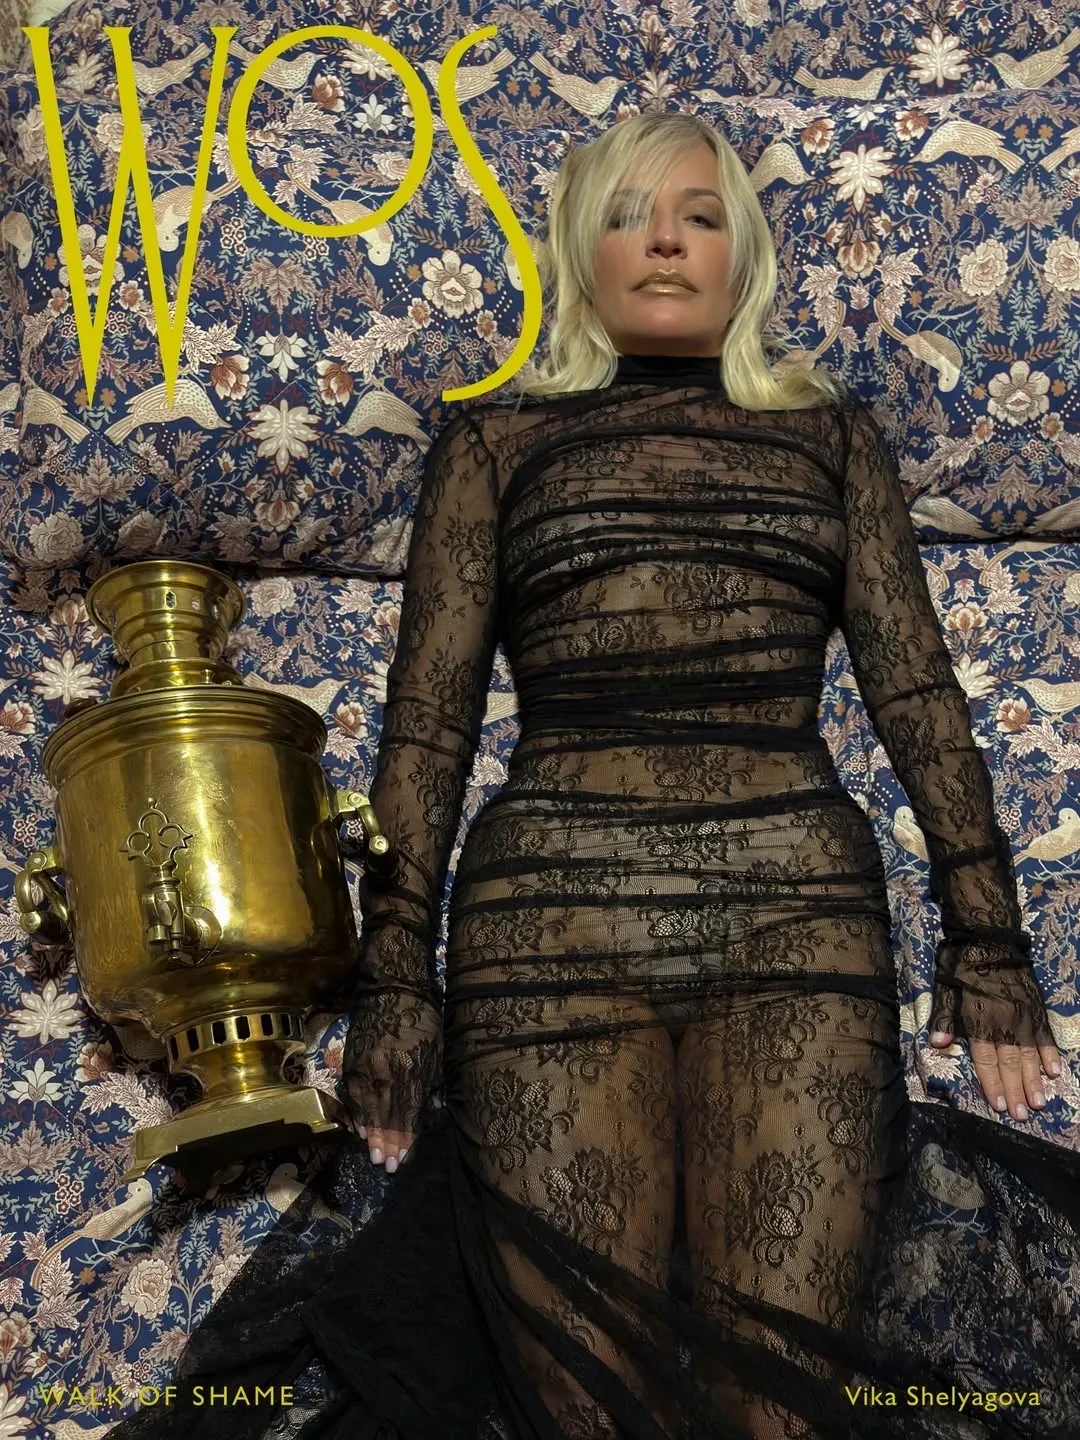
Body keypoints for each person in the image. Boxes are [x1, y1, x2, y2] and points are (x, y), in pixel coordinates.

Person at [105, 111, 1080, 1440]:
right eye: (629, 214)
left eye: (701, 215)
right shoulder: (493, 444)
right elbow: (430, 726)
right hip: (550, 928)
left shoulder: (835, 437)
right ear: (581, 252)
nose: (666, 239)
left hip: (795, 917)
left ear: (743, 257)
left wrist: (991, 940)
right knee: (590, 1412)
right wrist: (395, 986)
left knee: (780, 1400)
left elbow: (915, 692)